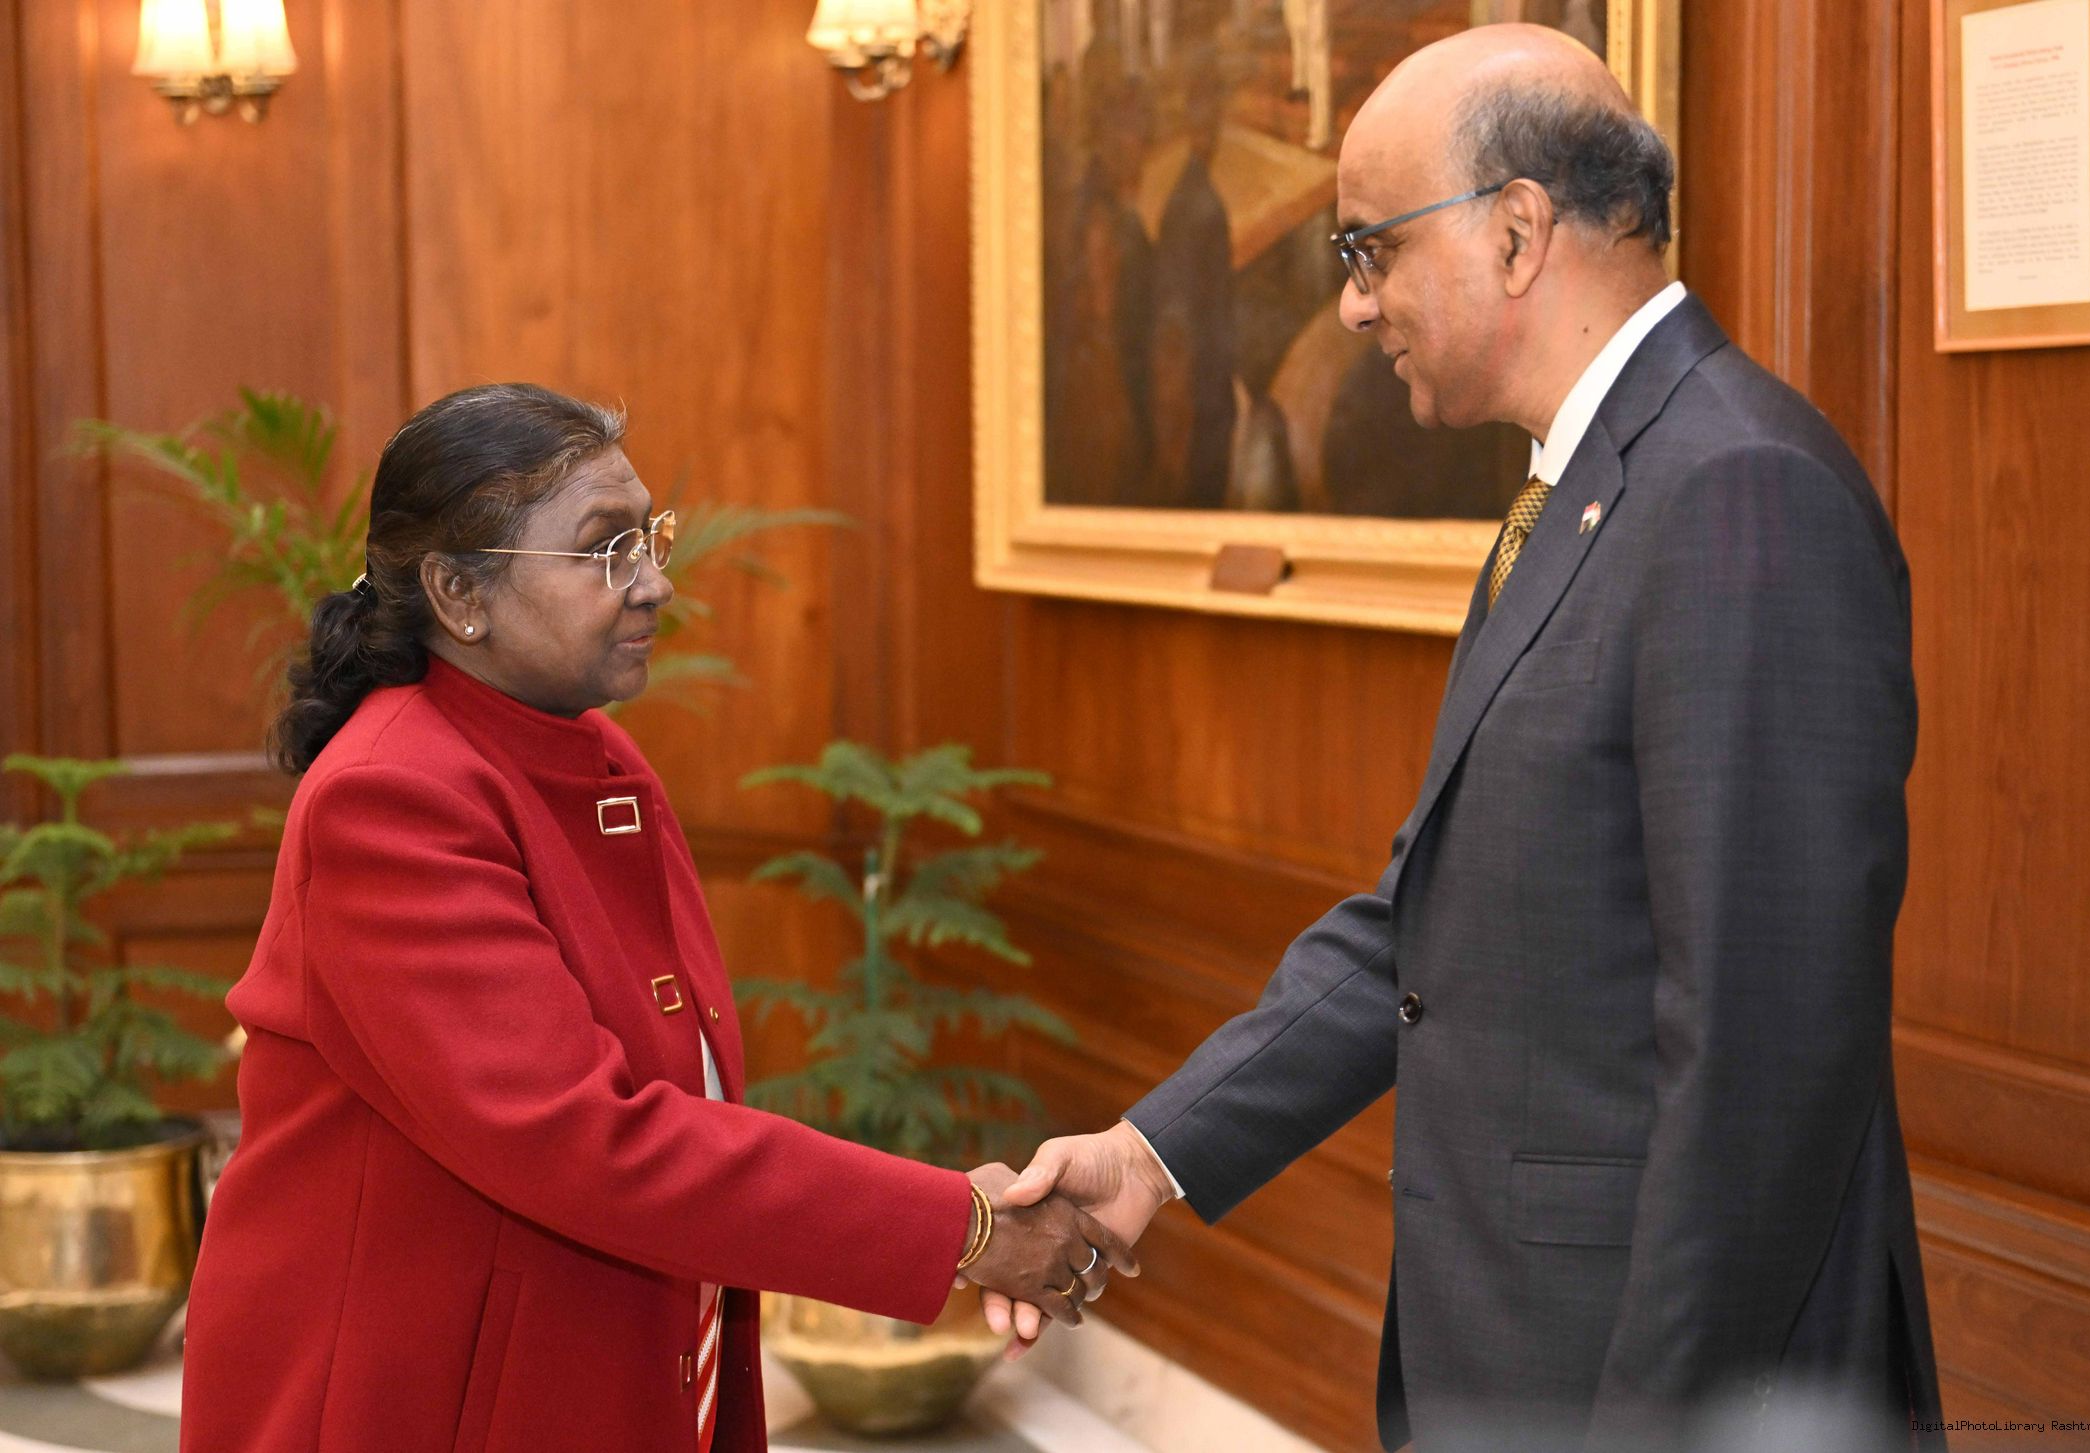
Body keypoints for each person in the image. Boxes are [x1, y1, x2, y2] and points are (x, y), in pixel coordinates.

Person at [990, 24, 1944, 1453]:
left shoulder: (1738, 491)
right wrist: (1148, 1155)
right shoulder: (1579, 489)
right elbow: (1427, 922)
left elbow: (1762, 1066)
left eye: (1369, 250)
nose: (1351, 305)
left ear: (1514, 232)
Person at [179, 384, 1134, 1453]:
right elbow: (586, 1137)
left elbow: (684, 1091)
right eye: (604, 548)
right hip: (413, 1392)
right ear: (458, 592)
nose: (654, 582)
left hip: (586, 1359)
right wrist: (961, 1226)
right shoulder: (390, 795)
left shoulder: (596, 753)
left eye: (649, 537)